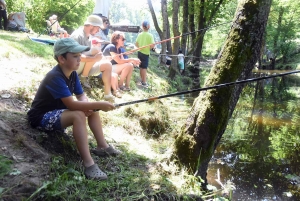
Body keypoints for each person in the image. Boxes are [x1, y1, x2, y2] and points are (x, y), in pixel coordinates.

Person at [27, 38, 121, 180]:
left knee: (92, 110)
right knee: (78, 114)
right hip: (41, 118)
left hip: (58, 113)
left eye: (80, 56)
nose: (80, 59)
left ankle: (102, 146)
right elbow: (72, 105)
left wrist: (91, 107)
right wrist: (98, 104)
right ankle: (89, 164)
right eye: (75, 56)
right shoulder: (55, 77)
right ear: (61, 59)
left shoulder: (73, 74)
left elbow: (81, 97)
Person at [70, 15, 115, 102]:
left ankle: (107, 95)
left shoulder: (89, 37)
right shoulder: (77, 35)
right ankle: (82, 77)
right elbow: (74, 57)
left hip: (83, 68)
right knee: (95, 51)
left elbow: (90, 55)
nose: (98, 31)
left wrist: (103, 58)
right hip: (74, 69)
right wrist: (94, 58)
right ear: (91, 26)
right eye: (98, 28)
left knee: (107, 65)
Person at [135, 20, 155, 88]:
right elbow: (152, 46)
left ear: (142, 27)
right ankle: (144, 82)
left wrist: (140, 48)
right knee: (144, 68)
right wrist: (152, 46)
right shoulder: (150, 35)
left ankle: (142, 80)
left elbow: (136, 44)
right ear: (148, 27)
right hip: (145, 54)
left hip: (139, 53)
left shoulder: (140, 34)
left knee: (141, 67)